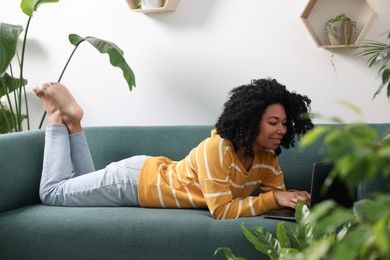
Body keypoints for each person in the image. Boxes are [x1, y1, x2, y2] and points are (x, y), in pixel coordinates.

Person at [33, 78, 313, 220]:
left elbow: (273, 203)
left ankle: (74, 123)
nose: (282, 130)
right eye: (273, 122)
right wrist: (275, 198)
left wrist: (294, 201)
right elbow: (222, 211)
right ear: (251, 121)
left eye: (285, 124)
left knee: (77, 186)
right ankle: (57, 119)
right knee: (53, 192)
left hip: (143, 177)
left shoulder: (267, 161)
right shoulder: (217, 148)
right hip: (134, 181)